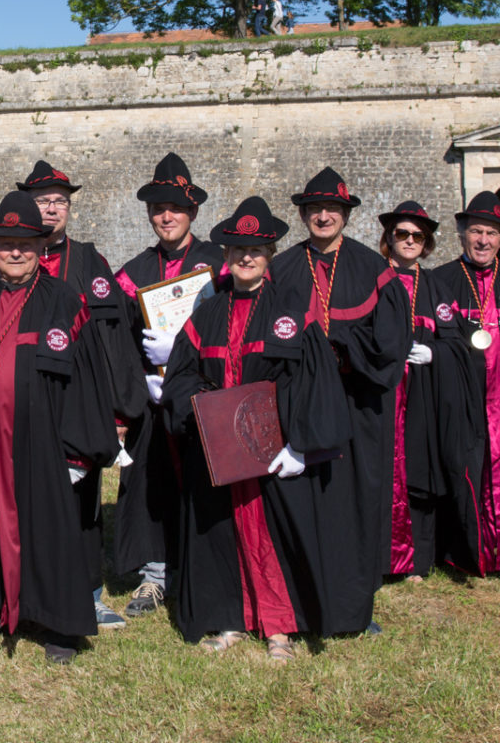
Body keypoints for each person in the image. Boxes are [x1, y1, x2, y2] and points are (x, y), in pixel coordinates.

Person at [0, 192, 121, 663]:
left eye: (26, 243)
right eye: (6, 242)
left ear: (40, 246)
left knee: (49, 531)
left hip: (45, 444)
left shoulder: (65, 302)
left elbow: (87, 380)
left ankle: (56, 622)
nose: (15, 252)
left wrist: (77, 453)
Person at [162, 197, 350, 661]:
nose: (246, 258)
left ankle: (279, 628)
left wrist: (302, 444)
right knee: (221, 534)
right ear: (226, 255)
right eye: (238, 250)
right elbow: (182, 374)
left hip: (273, 452)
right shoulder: (207, 313)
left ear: (269, 256)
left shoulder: (291, 308)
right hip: (221, 453)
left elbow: (313, 379)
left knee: (271, 538)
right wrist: (199, 409)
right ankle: (229, 620)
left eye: (257, 250)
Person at [269, 166, 412, 635]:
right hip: (300, 406)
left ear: (346, 215)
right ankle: (299, 600)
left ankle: (355, 606)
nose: (323, 216)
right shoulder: (283, 268)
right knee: (303, 498)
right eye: (314, 209)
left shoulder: (375, 270)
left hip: (357, 404)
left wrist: (342, 354)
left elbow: (391, 344)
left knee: (355, 502)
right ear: (304, 214)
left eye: (332, 209)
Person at [18, 159, 136, 629]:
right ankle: (26, 592)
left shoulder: (89, 261)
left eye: (59, 202)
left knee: (83, 500)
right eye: (43, 201)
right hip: (26, 398)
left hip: (78, 400)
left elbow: (112, 338)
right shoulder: (5, 256)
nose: (51, 210)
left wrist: (117, 409)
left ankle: (88, 593)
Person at [114, 152, 223, 618]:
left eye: (175, 208)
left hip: (204, 395)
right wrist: (142, 379)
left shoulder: (219, 262)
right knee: (151, 486)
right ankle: (155, 575)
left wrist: (182, 366)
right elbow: (120, 342)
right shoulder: (132, 272)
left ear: (193, 212)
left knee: (206, 483)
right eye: (158, 208)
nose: (166, 216)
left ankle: (203, 571)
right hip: (152, 402)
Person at [426, 191, 500, 576]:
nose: (483, 240)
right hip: (461, 398)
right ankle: (462, 553)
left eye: (491, 234)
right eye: (476, 231)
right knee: (463, 470)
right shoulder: (440, 280)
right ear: (462, 234)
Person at [377, 200, 444, 582]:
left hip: (422, 392)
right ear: (389, 238)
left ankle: (416, 559)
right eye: (401, 234)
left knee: (418, 471)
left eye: (418, 236)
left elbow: (455, 339)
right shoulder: (375, 277)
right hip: (384, 391)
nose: (409, 241)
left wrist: (434, 352)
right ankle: (382, 558)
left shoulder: (435, 284)